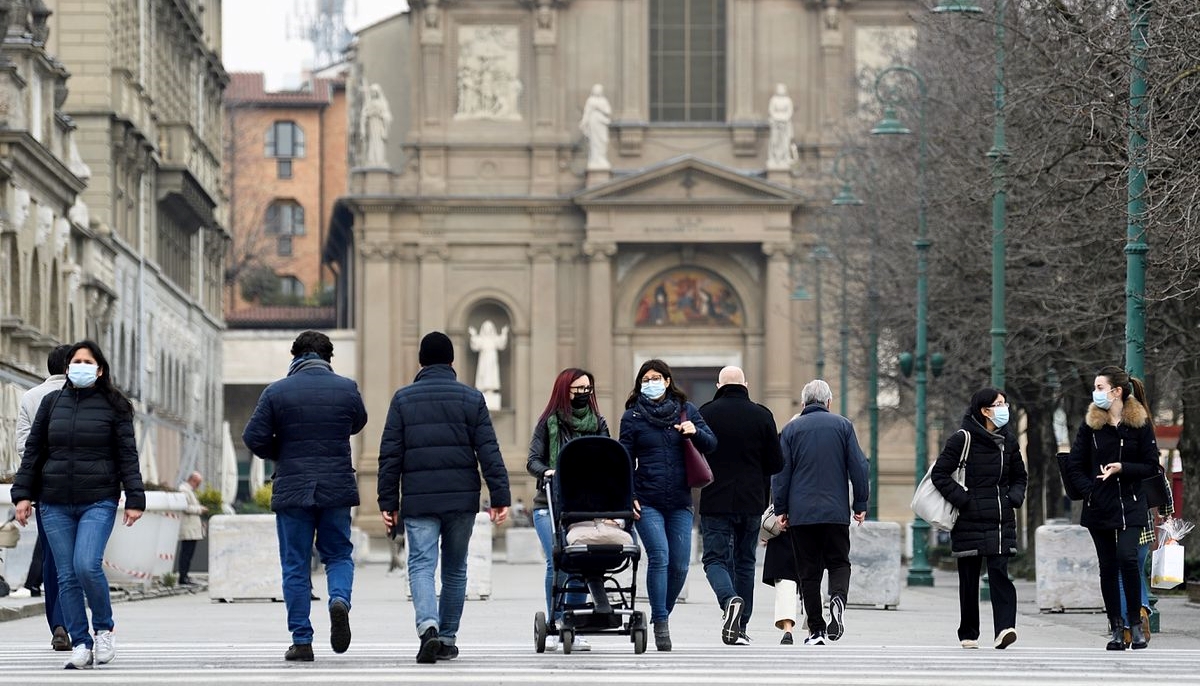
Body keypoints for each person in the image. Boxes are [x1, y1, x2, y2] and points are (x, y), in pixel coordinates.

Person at [11, 340, 146, 670]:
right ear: (67, 368)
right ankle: (81, 642)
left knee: (86, 564)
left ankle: (104, 629)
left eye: (87, 362)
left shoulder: (116, 406)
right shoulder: (51, 403)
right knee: (66, 575)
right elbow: (33, 453)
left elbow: (127, 455)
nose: (80, 367)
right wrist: (22, 495)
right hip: (54, 501)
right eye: (76, 362)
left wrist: (135, 497)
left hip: (97, 500)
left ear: (99, 370)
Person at [378, 331, 511, 664]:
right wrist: (500, 496)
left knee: (421, 565)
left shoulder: (403, 399)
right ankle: (448, 639)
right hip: (461, 500)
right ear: (452, 361)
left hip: (419, 499)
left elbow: (390, 456)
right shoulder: (471, 398)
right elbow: (489, 450)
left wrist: (387, 503)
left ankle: (429, 629)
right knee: (455, 568)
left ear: (420, 361)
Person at [242, 331, 368, 662]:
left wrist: (281, 451)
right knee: (338, 554)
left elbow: (253, 437)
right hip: (336, 485)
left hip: (293, 488)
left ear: (295, 356)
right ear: (328, 358)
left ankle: (302, 640)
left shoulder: (276, 391)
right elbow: (358, 422)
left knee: (295, 564)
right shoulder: (347, 388)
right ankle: (339, 600)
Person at [619, 358, 717, 651]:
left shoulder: (687, 411)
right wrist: (629, 496)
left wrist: (694, 431)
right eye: (645, 379)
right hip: (647, 500)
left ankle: (663, 612)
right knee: (659, 557)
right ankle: (661, 622)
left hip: (680, 501)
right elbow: (624, 460)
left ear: (667, 380)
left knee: (680, 565)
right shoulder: (632, 416)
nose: (651, 383)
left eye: (656, 378)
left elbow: (712, 444)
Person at [1063, 366, 1159, 650]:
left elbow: (1151, 465)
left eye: (1100, 387)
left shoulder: (1140, 424)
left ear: (1117, 391)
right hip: (1099, 505)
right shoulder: (1091, 426)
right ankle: (1116, 628)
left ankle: (1135, 625)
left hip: (1131, 503)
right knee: (1107, 566)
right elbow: (1074, 465)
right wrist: (1091, 490)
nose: (1095, 393)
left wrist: (1122, 468)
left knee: (1128, 559)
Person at [930, 388, 1028, 650]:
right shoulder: (962, 439)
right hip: (969, 520)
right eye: (999, 404)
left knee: (1000, 574)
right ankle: (968, 633)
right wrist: (964, 500)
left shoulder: (1008, 441)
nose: (1004, 408)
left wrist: (1013, 498)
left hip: (1000, 519)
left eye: (1005, 403)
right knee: (969, 579)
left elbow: (1020, 476)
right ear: (985, 411)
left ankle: (1005, 629)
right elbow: (940, 475)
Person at [773, 379, 868, 646]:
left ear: (803, 403)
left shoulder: (791, 430)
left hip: (801, 514)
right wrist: (860, 504)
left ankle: (816, 630)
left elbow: (781, 473)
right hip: (835, 511)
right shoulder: (843, 426)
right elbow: (859, 467)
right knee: (839, 562)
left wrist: (781, 508)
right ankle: (837, 598)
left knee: (808, 571)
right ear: (829, 402)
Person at [526, 367, 611, 652]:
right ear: (565, 390)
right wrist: (548, 471)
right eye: (578, 389)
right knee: (558, 560)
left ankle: (573, 625)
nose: (584, 393)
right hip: (549, 503)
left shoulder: (598, 422)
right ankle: (555, 624)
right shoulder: (548, 423)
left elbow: (607, 457)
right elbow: (532, 460)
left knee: (582, 561)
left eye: (587, 388)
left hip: (584, 505)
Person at [697, 366, 783, 645]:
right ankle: (741, 627)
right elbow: (776, 463)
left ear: (718, 386)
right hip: (751, 501)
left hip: (715, 500)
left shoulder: (705, 413)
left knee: (714, 559)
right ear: (745, 384)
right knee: (745, 563)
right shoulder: (762, 415)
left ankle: (728, 600)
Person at [12, 343, 72, 651]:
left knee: (52, 555)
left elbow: (23, 446)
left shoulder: (30, 396)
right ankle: (72, 620)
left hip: (46, 489)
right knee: (81, 558)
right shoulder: (91, 397)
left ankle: (59, 623)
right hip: (86, 489)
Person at [176, 471, 208, 586]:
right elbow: (185, 507)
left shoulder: (188, 490)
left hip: (192, 528)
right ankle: (183, 577)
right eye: (198, 484)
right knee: (186, 553)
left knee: (188, 554)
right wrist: (200, 509)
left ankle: (185, 575)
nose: (197, 486)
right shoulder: (184, 490)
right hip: (188, 528)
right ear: (193, 480)